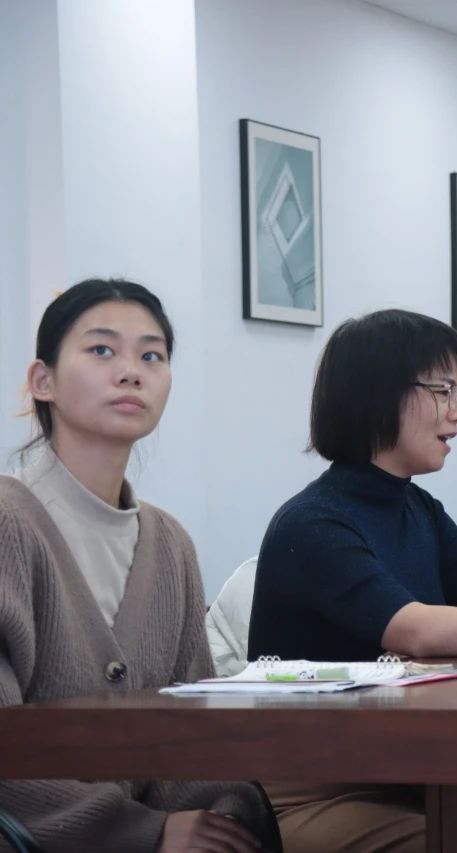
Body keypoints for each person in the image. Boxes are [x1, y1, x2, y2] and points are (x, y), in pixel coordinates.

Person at [248, 309, 457, 851]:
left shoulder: (419, 507)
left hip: (409, 764)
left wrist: (437, 637)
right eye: (442, 391)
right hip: (318, 791)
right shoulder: (313, 522)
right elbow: (415, 630)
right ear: (376, 394)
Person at [0, 279, 276, 852]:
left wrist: (220, 817)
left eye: (152, 356)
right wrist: (142, 833)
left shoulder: (170, 545)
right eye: (101, 350)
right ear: (42, 381)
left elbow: (193, 730)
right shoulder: (9, 524)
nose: (130, 372)